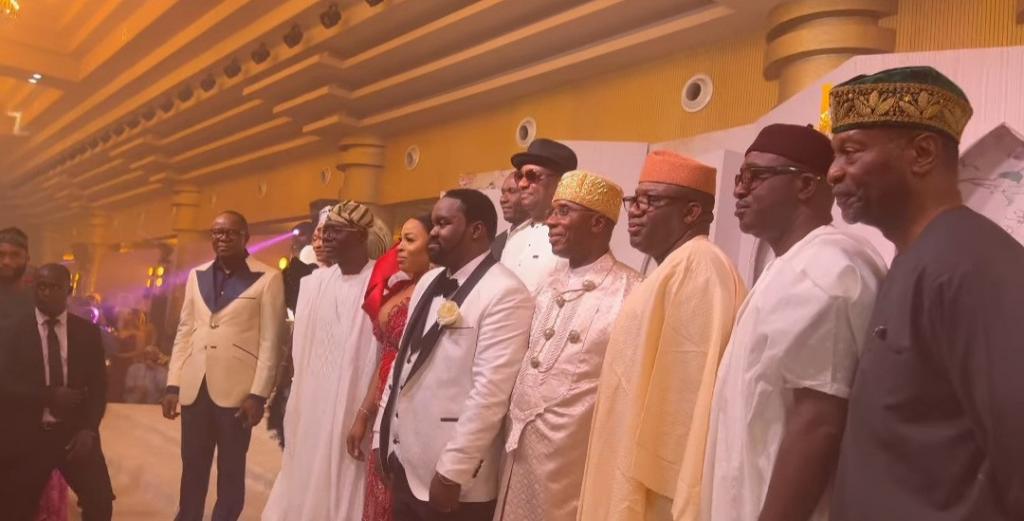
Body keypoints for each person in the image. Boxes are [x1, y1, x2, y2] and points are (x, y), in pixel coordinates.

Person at [826, 67, 1024, 520]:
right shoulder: (916, 259)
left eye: (850, 152)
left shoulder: (970, 265)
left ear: (921, 154)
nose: (833, 172)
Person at [700, 124, 887, 521]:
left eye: (755, 176)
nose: (739, 190)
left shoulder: (826, 270)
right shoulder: (790, 264)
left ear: (804, 185)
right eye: (739, 177)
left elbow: (818, 424)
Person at [577, 151, 747, 520]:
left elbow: (687, 402)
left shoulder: (700, 267)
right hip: (628, 461)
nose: (634, 211)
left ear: (690, 212)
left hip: (656, 493)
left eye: (650, 201)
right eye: (635, 200)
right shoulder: (673, 267)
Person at [372, 189, 534, 521]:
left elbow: (490, 394)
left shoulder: (505, 292)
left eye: (443, 223)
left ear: (476, 230)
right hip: (404, 463)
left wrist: (452, 472)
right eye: (433, 223)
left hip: (453, 480)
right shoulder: (428, 281)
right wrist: (381, 436)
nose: (433, 231)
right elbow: (403, 363)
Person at [495, 171, 643, 521]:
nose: (550, 221)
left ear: (597, 223)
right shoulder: (548, 287)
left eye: (563, 211)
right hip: (517, 447)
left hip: (575, 457)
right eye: (553, 211)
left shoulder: (631, 292)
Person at [263, 201, 393, 521]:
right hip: (313, 400)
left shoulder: (383, 282)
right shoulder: (315, 283)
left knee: (346, 476)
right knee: (305, 470)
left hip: (355, 402)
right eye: (324, 231)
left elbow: (384, 353)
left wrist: (365, 411)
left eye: (336, 231)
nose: (326, 238)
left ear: (360, 235)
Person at [162, 210, 286, 521]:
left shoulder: (268, 277)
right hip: (195, 387)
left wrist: (258, 395)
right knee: (192, 467)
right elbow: (185, 331)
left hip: (238, 392)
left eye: (231, 232)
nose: (223, 238)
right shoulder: (197, 275)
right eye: (217, 232)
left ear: (246, 237)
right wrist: (173, 383)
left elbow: (271, 343)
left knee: (231, 471)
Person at [0, 263, 114, 521]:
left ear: (69, 290)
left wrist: (89, 429)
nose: (46, 293)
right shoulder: (12, 331)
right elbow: (5, 383)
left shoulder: (86, 332)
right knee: (14, 509)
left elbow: (99, 385)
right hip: (28, 435)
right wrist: (49, 395)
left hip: (74, 434)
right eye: (41, 287)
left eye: (54, 287)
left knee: (100, 501)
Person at [348, 215, 434, 521]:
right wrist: (363, 414)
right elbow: (386, 356)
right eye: (400, 240)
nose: (400, 248)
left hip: (411, 411)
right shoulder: (401, 289)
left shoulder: (438, 294)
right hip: (383, 407)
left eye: (410, 240)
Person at [500, 138, 578, 293]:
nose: (522, 184)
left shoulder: (573, 238)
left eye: (532, 176)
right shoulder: (515, 236)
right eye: (519, 176)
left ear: (561, 182)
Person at [491, 172, 528, 260]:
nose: (502, 199)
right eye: (503, 192)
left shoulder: (545, 237)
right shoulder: (495, 243)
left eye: (511, 191)